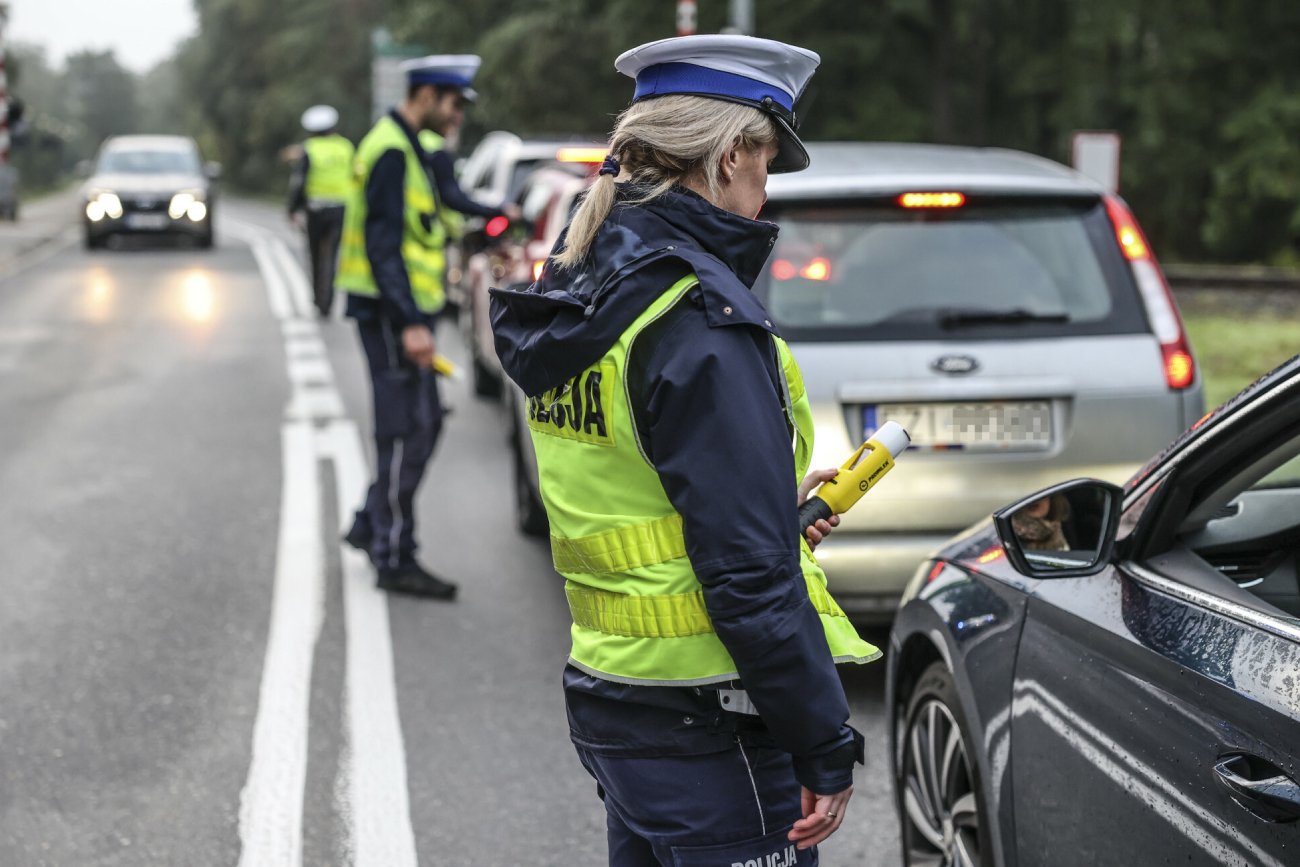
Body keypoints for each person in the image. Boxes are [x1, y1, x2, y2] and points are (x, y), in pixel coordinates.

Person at [490, 34, 880, 866]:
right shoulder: (697, 317)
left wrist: (768, 506)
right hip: (712, 722)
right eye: (767, 163)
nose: (765, 190)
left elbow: (639, 486)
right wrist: (821, 740)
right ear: (731, 154)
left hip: (616, 696)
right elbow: (747, 575)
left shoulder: (582, 293)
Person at [337, 55, 511, 599]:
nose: (459, 116)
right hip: (391, 314)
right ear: (428, 95)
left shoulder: (412, 146)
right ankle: (394, 555)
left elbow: (443, 206)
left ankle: (371, 522)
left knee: (427, 421)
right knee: (403, 431)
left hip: (404, 311)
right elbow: (383, 247)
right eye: (455, 104)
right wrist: (411, 325)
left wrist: (496, 214)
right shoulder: (391, 151)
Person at [288, 105, 354, 317]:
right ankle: (329, 300)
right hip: (341, 209)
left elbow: (299, 181)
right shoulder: (346, 148)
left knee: (315, 253)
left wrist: (292, 209)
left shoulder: (309, 148)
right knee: (332, 255)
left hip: (316, 210)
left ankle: (319, 298)